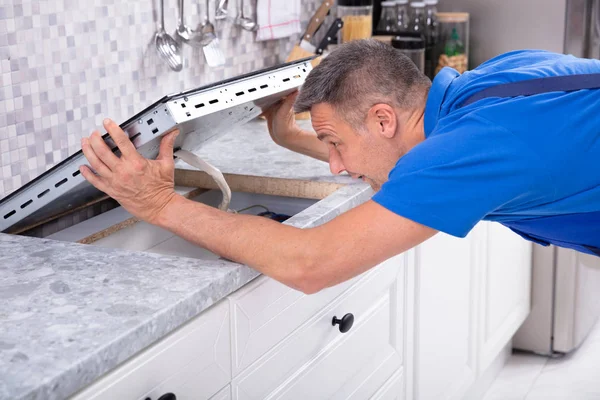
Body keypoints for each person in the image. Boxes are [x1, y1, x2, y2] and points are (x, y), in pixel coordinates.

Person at [80, 40, 600, 294]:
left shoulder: (474, 148)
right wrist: (291, 137)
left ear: (381, 118)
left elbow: (311, 263)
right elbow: (399, 165)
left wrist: (159, 204)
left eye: (334, 142)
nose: (335, 164)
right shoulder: (493, 81)